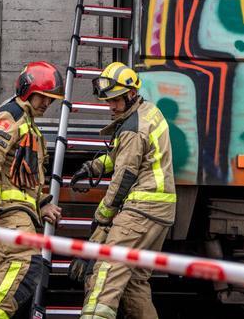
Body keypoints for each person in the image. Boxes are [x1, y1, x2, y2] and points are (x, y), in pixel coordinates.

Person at [70, 61, 175, 319]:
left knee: (106, 272)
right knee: (134, 283)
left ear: (130, 93)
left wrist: (101, 218)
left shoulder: (132, 129)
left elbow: (124, 176)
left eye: (116, 100)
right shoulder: (148, 112)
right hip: (160, 212)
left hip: (142, 209)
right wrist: (95, 167)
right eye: (108, 101)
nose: (112, 107)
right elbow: (128, 156)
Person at [0, 61, 64, 319]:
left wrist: (42, 203)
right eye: (43, 97)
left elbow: (26, 174)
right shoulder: (10, 116)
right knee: (26, 264)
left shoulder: (28, 122)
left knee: (11, 275)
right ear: (27, 90)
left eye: (51, 99)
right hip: (9, 212)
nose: (47, 104)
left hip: (20, 212)